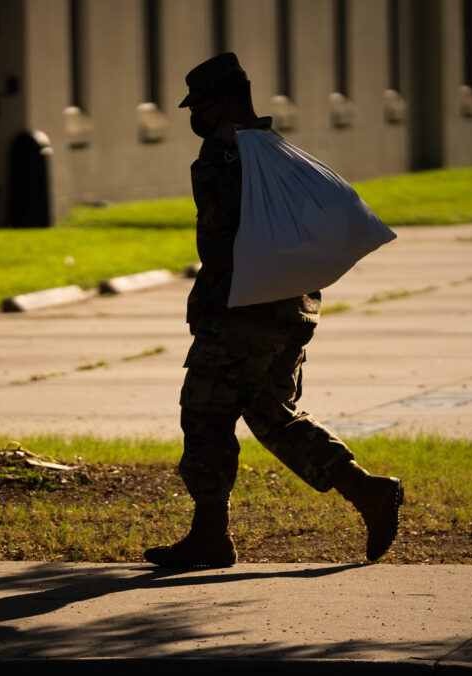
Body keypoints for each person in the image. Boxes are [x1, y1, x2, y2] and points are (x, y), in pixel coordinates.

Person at [143, 53, 403, 568]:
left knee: (204, 411)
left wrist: (211, 307)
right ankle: (368, 492)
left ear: (222, 101)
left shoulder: (225, 161)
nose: (195, 116)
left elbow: (220, 246)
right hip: (291, 310)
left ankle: (209, 535)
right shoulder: (277, 153)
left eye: (200, 105)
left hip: (243, 313)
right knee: (271, 415)